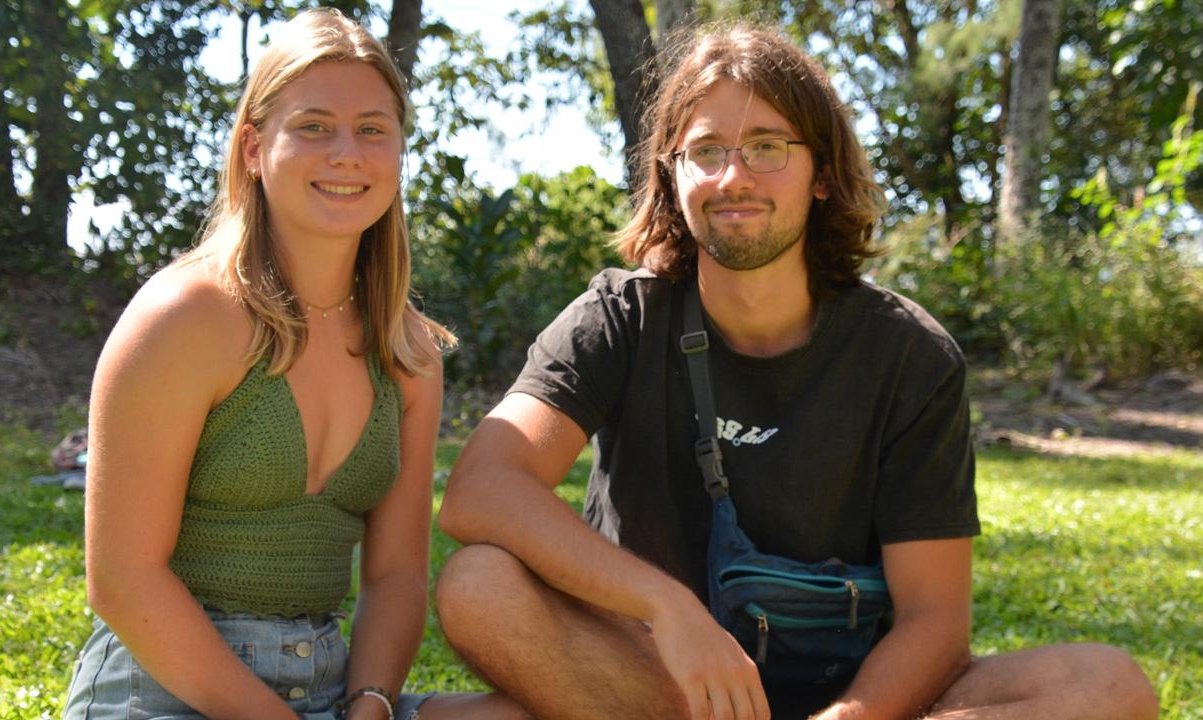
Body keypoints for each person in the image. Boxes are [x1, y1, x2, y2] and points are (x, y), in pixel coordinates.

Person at [434, 23, 1160, 720]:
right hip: (654, 682)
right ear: (672, 174)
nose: (733, 177)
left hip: (855, 692)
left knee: (1105, 687)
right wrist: (668, 608)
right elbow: (481, 489)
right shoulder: (621, 317)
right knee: (480, 585)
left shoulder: (910, 355)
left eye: (767, 146)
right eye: (706, 151)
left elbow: (935, 622)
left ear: (822, 173)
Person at [63, 10, 526, 720]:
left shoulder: (407, 353)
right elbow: (123, 580)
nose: (347, 153)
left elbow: (398, 573)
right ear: (253, 147)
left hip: (331, 687)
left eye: (373, 129)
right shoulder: (187, 317)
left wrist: (372, 701)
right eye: (313, 126)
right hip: (167, 687)